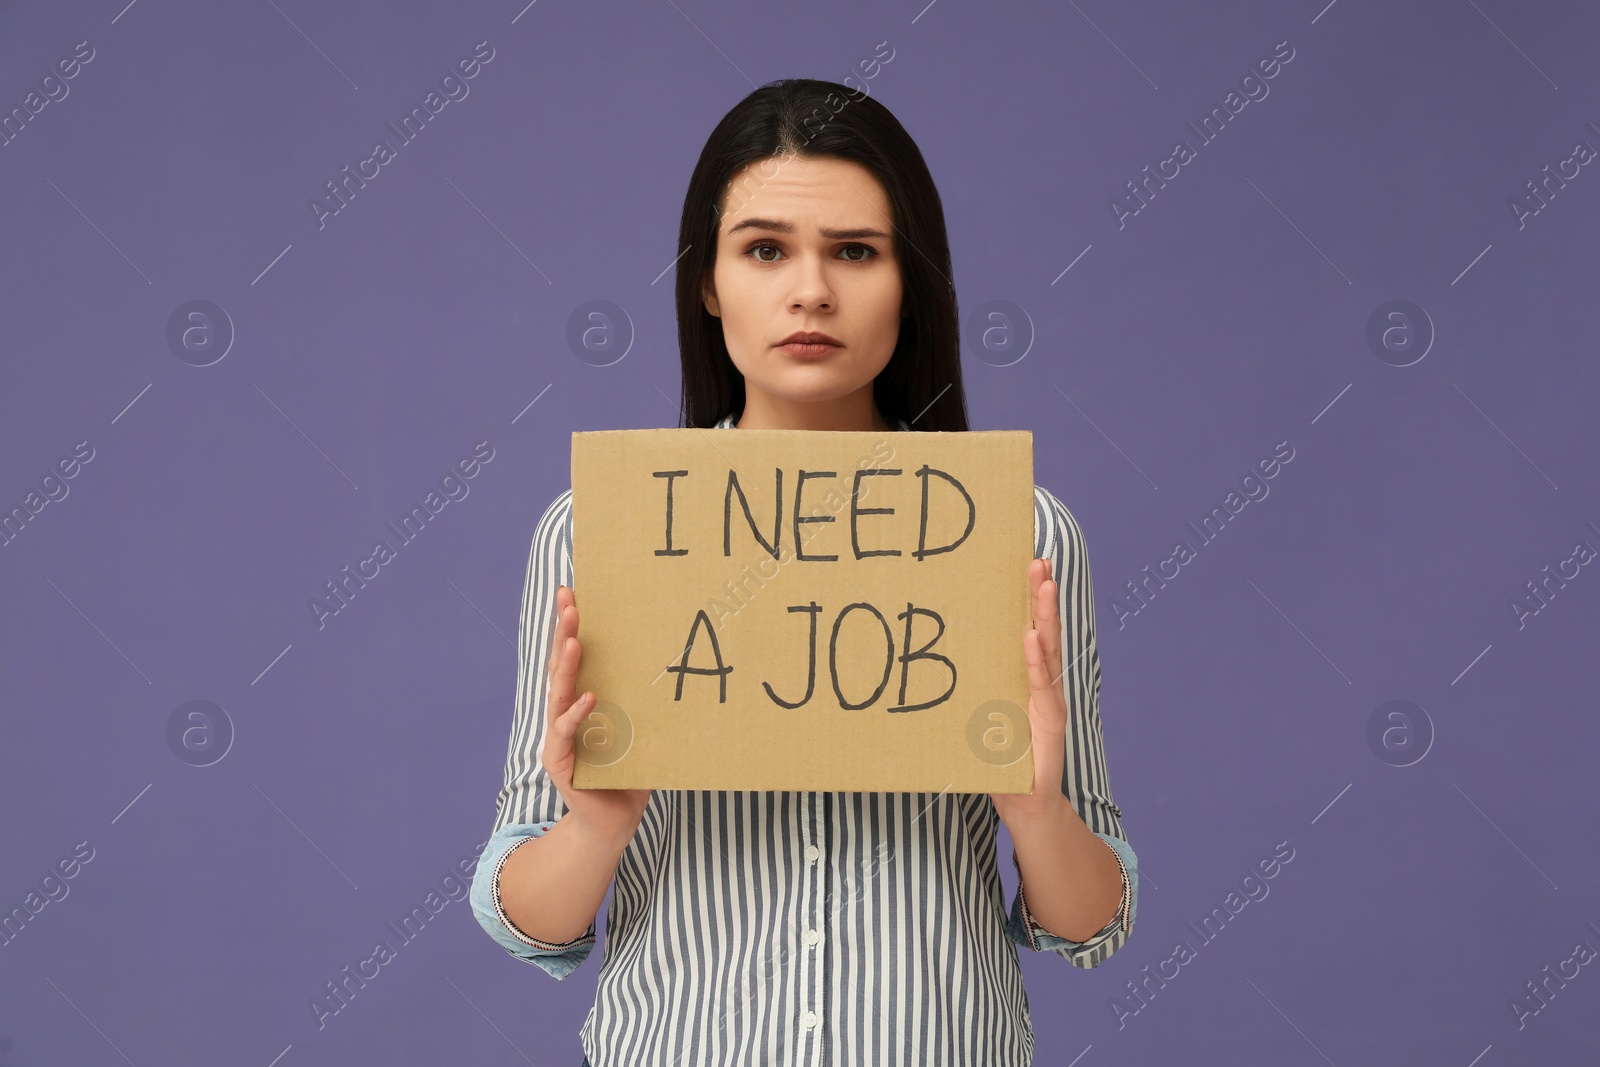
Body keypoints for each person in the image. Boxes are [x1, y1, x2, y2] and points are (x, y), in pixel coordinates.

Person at [469, 77, 1138, 1067]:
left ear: (910, 280)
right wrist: (599, 822)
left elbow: (1088, 921)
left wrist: (1035, 809)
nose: (811, 290)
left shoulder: (1022, 533)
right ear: (708, 281)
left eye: (856, 252)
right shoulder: (595, 531)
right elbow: (523, 913)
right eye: (765, 249)